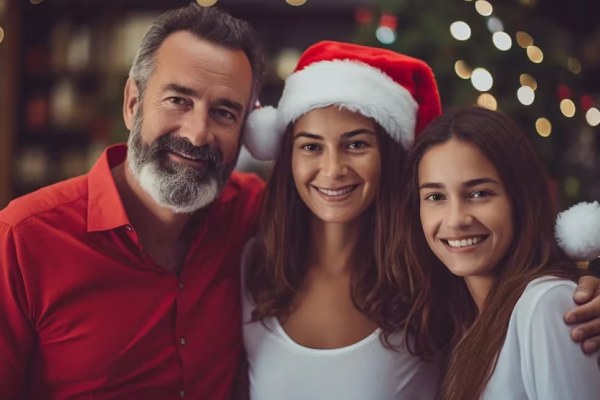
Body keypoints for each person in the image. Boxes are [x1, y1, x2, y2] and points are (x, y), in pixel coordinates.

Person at [239, 41, 600, 399]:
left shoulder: (431, 275)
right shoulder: (250, 265)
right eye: (311, 146)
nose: (333, 170)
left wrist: (576, 299)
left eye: (357, 144)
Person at [0, 5, 265, 399]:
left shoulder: (253, 211)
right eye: (178, 100)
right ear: (132, 104)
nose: (196, 135)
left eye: (224, 113)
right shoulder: (22, 239)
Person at [396, 106, 600, 399]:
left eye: (479, 193)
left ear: (520, 199)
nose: (455, 219)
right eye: (435, 197)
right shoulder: (461, 323)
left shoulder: (546, 304)